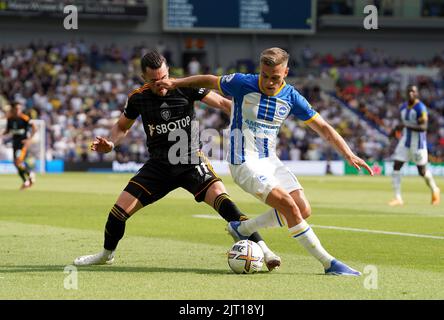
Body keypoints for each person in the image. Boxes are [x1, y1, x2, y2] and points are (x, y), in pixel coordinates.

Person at [156, 47, 374, 276]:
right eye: (265, 76)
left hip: (270, 160)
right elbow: (209, 80)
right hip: (243, 162)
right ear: (260, 70)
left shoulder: (291, 97)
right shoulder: (242, 83)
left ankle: (243, 228)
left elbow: (324, 128)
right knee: (289, 206)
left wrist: (348, 153)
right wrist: (176, 82)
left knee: (302, 208)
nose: (269, 82)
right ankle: (329, 263)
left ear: (286, 72)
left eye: (275, 78)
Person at [73, 51, 281, 271]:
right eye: (154, 81)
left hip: (191, 161)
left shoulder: (185, 87)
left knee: (225, 203)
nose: (161, 84)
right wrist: (111, 144)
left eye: (163, 77)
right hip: (159, 166)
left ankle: (265, 251)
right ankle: (106, 254)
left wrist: (251, 119)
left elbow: (222, 103)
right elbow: (121, 127)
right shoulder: (138, 98)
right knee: (117, 214)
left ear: (168, 72)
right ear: (144, 78)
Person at [388, 85, 440, 206]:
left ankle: (434, 189)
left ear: (417, 94)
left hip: (418, 144)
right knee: (396, 166)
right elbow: (403, 123)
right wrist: (395, 130)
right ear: (406, 93)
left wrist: (406, 126)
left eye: (413, 91)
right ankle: (398, 198)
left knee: (422, 171)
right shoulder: (403, 107)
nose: (411, 93)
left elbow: (424, 127)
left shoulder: (420, 108)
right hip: (405, 141)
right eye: (409, 91)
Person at [1, 102, 36, 190]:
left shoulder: (24, 118)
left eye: (19, 109)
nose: (18, 110)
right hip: (15, 143)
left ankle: (30, 174)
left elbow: (35, 128)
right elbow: (8, 130)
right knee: (16, 164)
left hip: (22, 144)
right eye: (16, 109)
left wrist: (29, 139)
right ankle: (26, 181)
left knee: (18, 161)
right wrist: (1, 134)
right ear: (13, 109)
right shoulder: (10, 119)